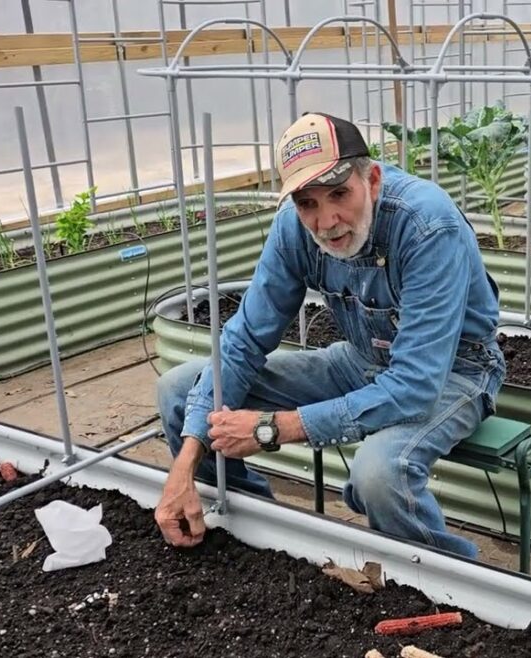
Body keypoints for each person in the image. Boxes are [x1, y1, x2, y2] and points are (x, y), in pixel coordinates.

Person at [153, 112, 506, 559]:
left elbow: (415, 385)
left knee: (379, 475)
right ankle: (257, 536)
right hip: (359, 361)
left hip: (455, 373)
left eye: (340, 194)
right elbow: (244, 340)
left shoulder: (426, 226)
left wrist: (271, 429)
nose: (327, 221)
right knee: (181, 391)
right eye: (308, 204)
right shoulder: (292, 229)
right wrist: (184, 465)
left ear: (372, 180)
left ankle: (454, 581)